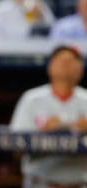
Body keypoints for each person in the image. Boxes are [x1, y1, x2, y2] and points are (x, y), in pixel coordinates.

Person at [10, 45, 87, 188]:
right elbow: (15, 148)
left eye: (71, 61)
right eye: (61, 61)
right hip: (41, 183)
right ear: (50, 67)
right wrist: (42, 134)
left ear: (80, 70)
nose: (66, 65)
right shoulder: (31, 99)